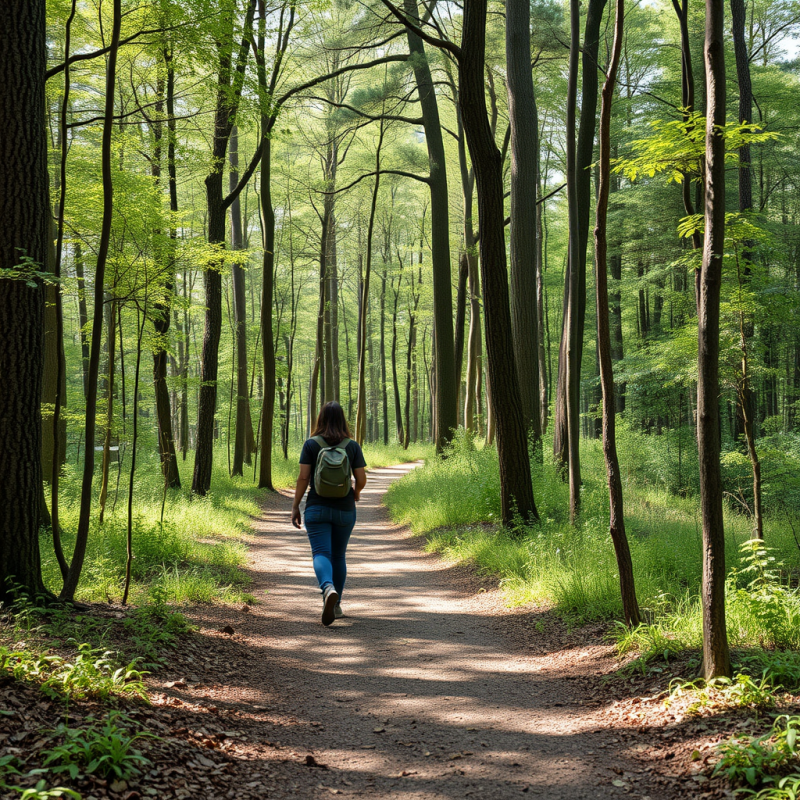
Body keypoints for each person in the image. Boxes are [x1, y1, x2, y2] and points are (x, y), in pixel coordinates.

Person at [291, 402, 367, 626]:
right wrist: (356, 493)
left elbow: (303, 478)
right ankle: (336, 604)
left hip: (317, 507)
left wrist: (296, 505)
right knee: (339, 556)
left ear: (320, 418)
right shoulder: (352, 446)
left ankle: (327, 588)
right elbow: (361, 479)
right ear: (343, 419)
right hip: (345, 509)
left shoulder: (311, 444)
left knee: (321, 553)